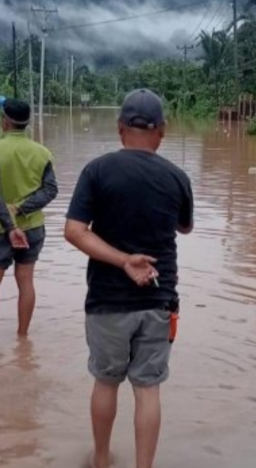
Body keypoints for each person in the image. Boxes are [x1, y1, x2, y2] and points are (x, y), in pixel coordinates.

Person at [64, 89, 194, 468]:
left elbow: (74, 231)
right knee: (148, 389)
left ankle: (101, 460)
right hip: (158, 299)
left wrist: (122, 260)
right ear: (162, 131)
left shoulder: (97, 171)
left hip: (107, 301)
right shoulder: (177, 176)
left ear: (120, 128)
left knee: (106, 382)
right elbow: (184, 228)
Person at [0, 96, 58, 338]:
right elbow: (50, 190)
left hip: (0, 229)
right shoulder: (43, 153)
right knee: (26, 282)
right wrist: (23, 209)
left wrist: (9, 222)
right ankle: (22, 337)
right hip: (33, 228)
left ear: (5, 122)